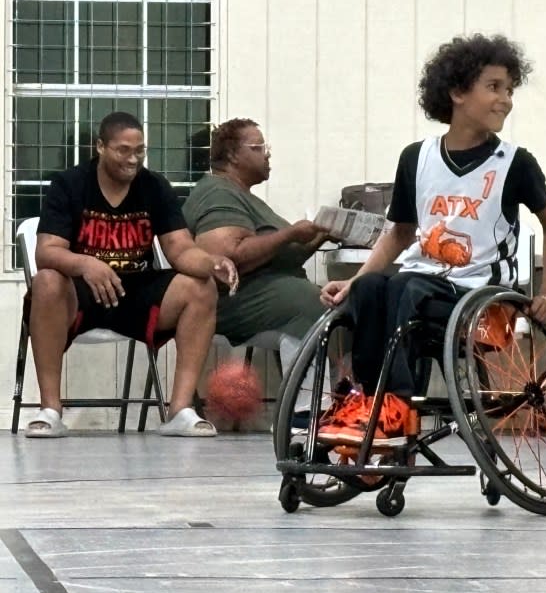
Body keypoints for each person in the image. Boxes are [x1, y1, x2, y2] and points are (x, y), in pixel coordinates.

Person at [318, 33, 546, 446]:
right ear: (456, 92)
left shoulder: (515, 163)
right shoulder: (416, 158)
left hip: (482, 299)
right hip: (421, 286)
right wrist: (354, 281)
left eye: (509, 89)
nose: (505, 99)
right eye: (493, 87)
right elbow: (398, 233)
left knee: (405, 285)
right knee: (371, 289)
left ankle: (393, 407)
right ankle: (369, 399)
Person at [26, 111, 238, 438]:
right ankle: (51, 410)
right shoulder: (69, 184)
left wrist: (211, 262)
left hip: (135, 290)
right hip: (82, 291)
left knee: (200, 286)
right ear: (100, 147)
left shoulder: (154, 186)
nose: (133, 159)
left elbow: (179, 248)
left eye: (140, 151)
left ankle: (180, 410)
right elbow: (46, 252)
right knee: (47, 281)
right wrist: (86, 264)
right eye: (123, 150)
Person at [182, 119, 328, 365]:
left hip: (263, 293)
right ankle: (309, 401)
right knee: (308, 299)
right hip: (230, 303)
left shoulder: (241, 195)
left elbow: (279, 255)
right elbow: (227, 260)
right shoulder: (217, 192)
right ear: (232, 155)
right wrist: (289, 233)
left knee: (342, 296)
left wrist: (322, 235)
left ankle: (337, 392)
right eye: (259, 147)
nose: (267, 155)